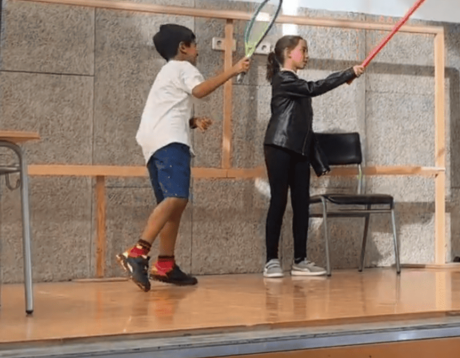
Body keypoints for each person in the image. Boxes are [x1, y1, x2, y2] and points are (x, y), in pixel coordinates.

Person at [119, 24, 251, 292]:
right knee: (177, 198)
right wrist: (233, 69)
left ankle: (165, 264)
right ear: (183, 48)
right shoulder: (184, 67)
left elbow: (167, 110)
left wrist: (192, 121)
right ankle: (137, 252)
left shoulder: (166, 72)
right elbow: (200, 91)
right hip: (170, 142)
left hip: (153, 143)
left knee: (172, 205)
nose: (197, 51)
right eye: (195, 45)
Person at [262, 35, 365, 278]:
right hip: (279, 146)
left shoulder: (293, 81)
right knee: (278, 201)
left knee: (301, 205)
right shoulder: (283, 79)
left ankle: (300, 260)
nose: (307, 55)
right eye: (303, 50)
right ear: (289, 53)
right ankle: (271, 261)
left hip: (300, 149)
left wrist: (346, 77)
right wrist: (346, 73)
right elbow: (314, 88)